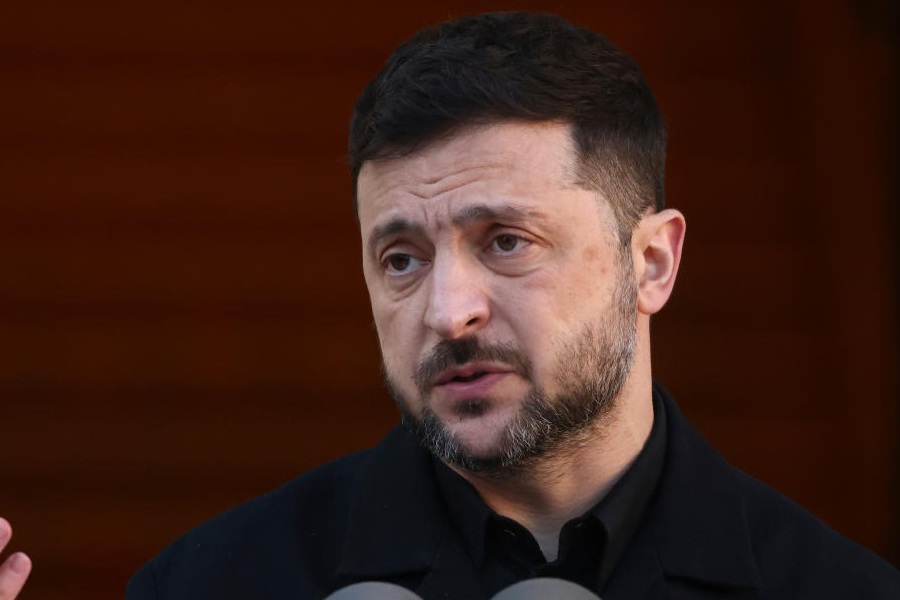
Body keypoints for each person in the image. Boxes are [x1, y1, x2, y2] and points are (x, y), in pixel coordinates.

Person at [4, 11, 898, 600]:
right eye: (402, 258)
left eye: (506, 241)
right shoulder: (210, 584)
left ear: (652, 263)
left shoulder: (838, 589)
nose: (447, 310)